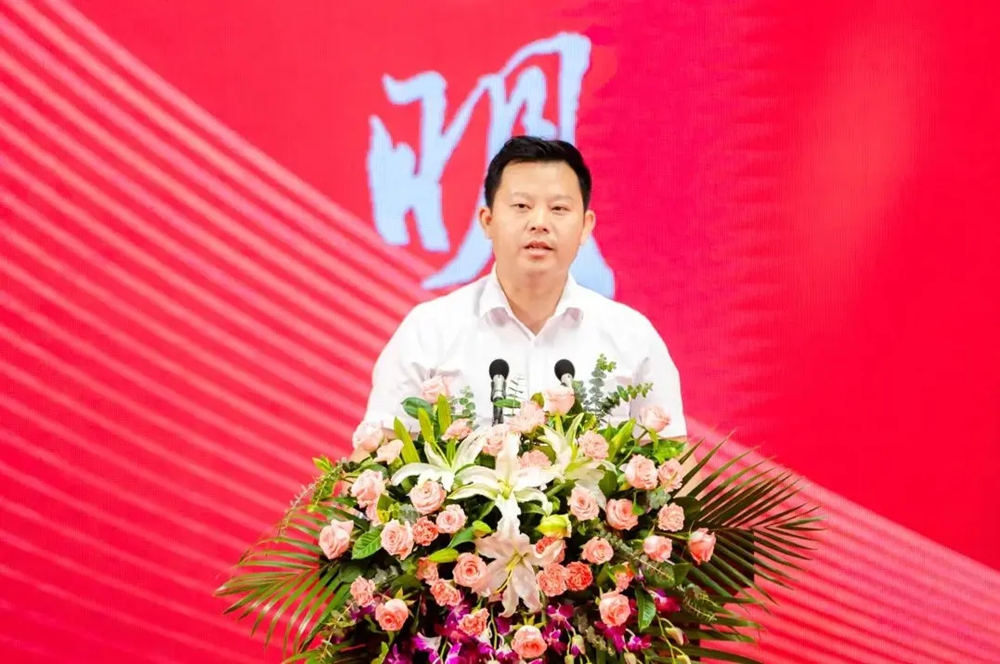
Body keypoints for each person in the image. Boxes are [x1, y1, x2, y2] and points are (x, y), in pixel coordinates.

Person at [361, 136, 686, 439]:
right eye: (521, 206)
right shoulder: (429, 331)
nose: (539, 222)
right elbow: (375, 457)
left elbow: (674, 465)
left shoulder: (632, 337)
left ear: (586, 226)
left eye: (559, 209)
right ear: (487, 221)